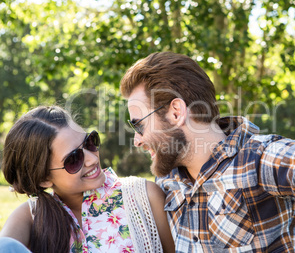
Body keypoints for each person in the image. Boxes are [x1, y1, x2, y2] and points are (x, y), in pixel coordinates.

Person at [120, 51, 295, 252]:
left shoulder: (257, 158)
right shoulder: (167, 183)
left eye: (139, 125)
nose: (137, 140)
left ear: (176, 112)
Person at [0, 106, 175, 253]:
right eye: (74, 158)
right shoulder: (31, 216)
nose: (92, 159)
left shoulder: (143, 197)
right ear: (44, 178)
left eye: (90, 142)